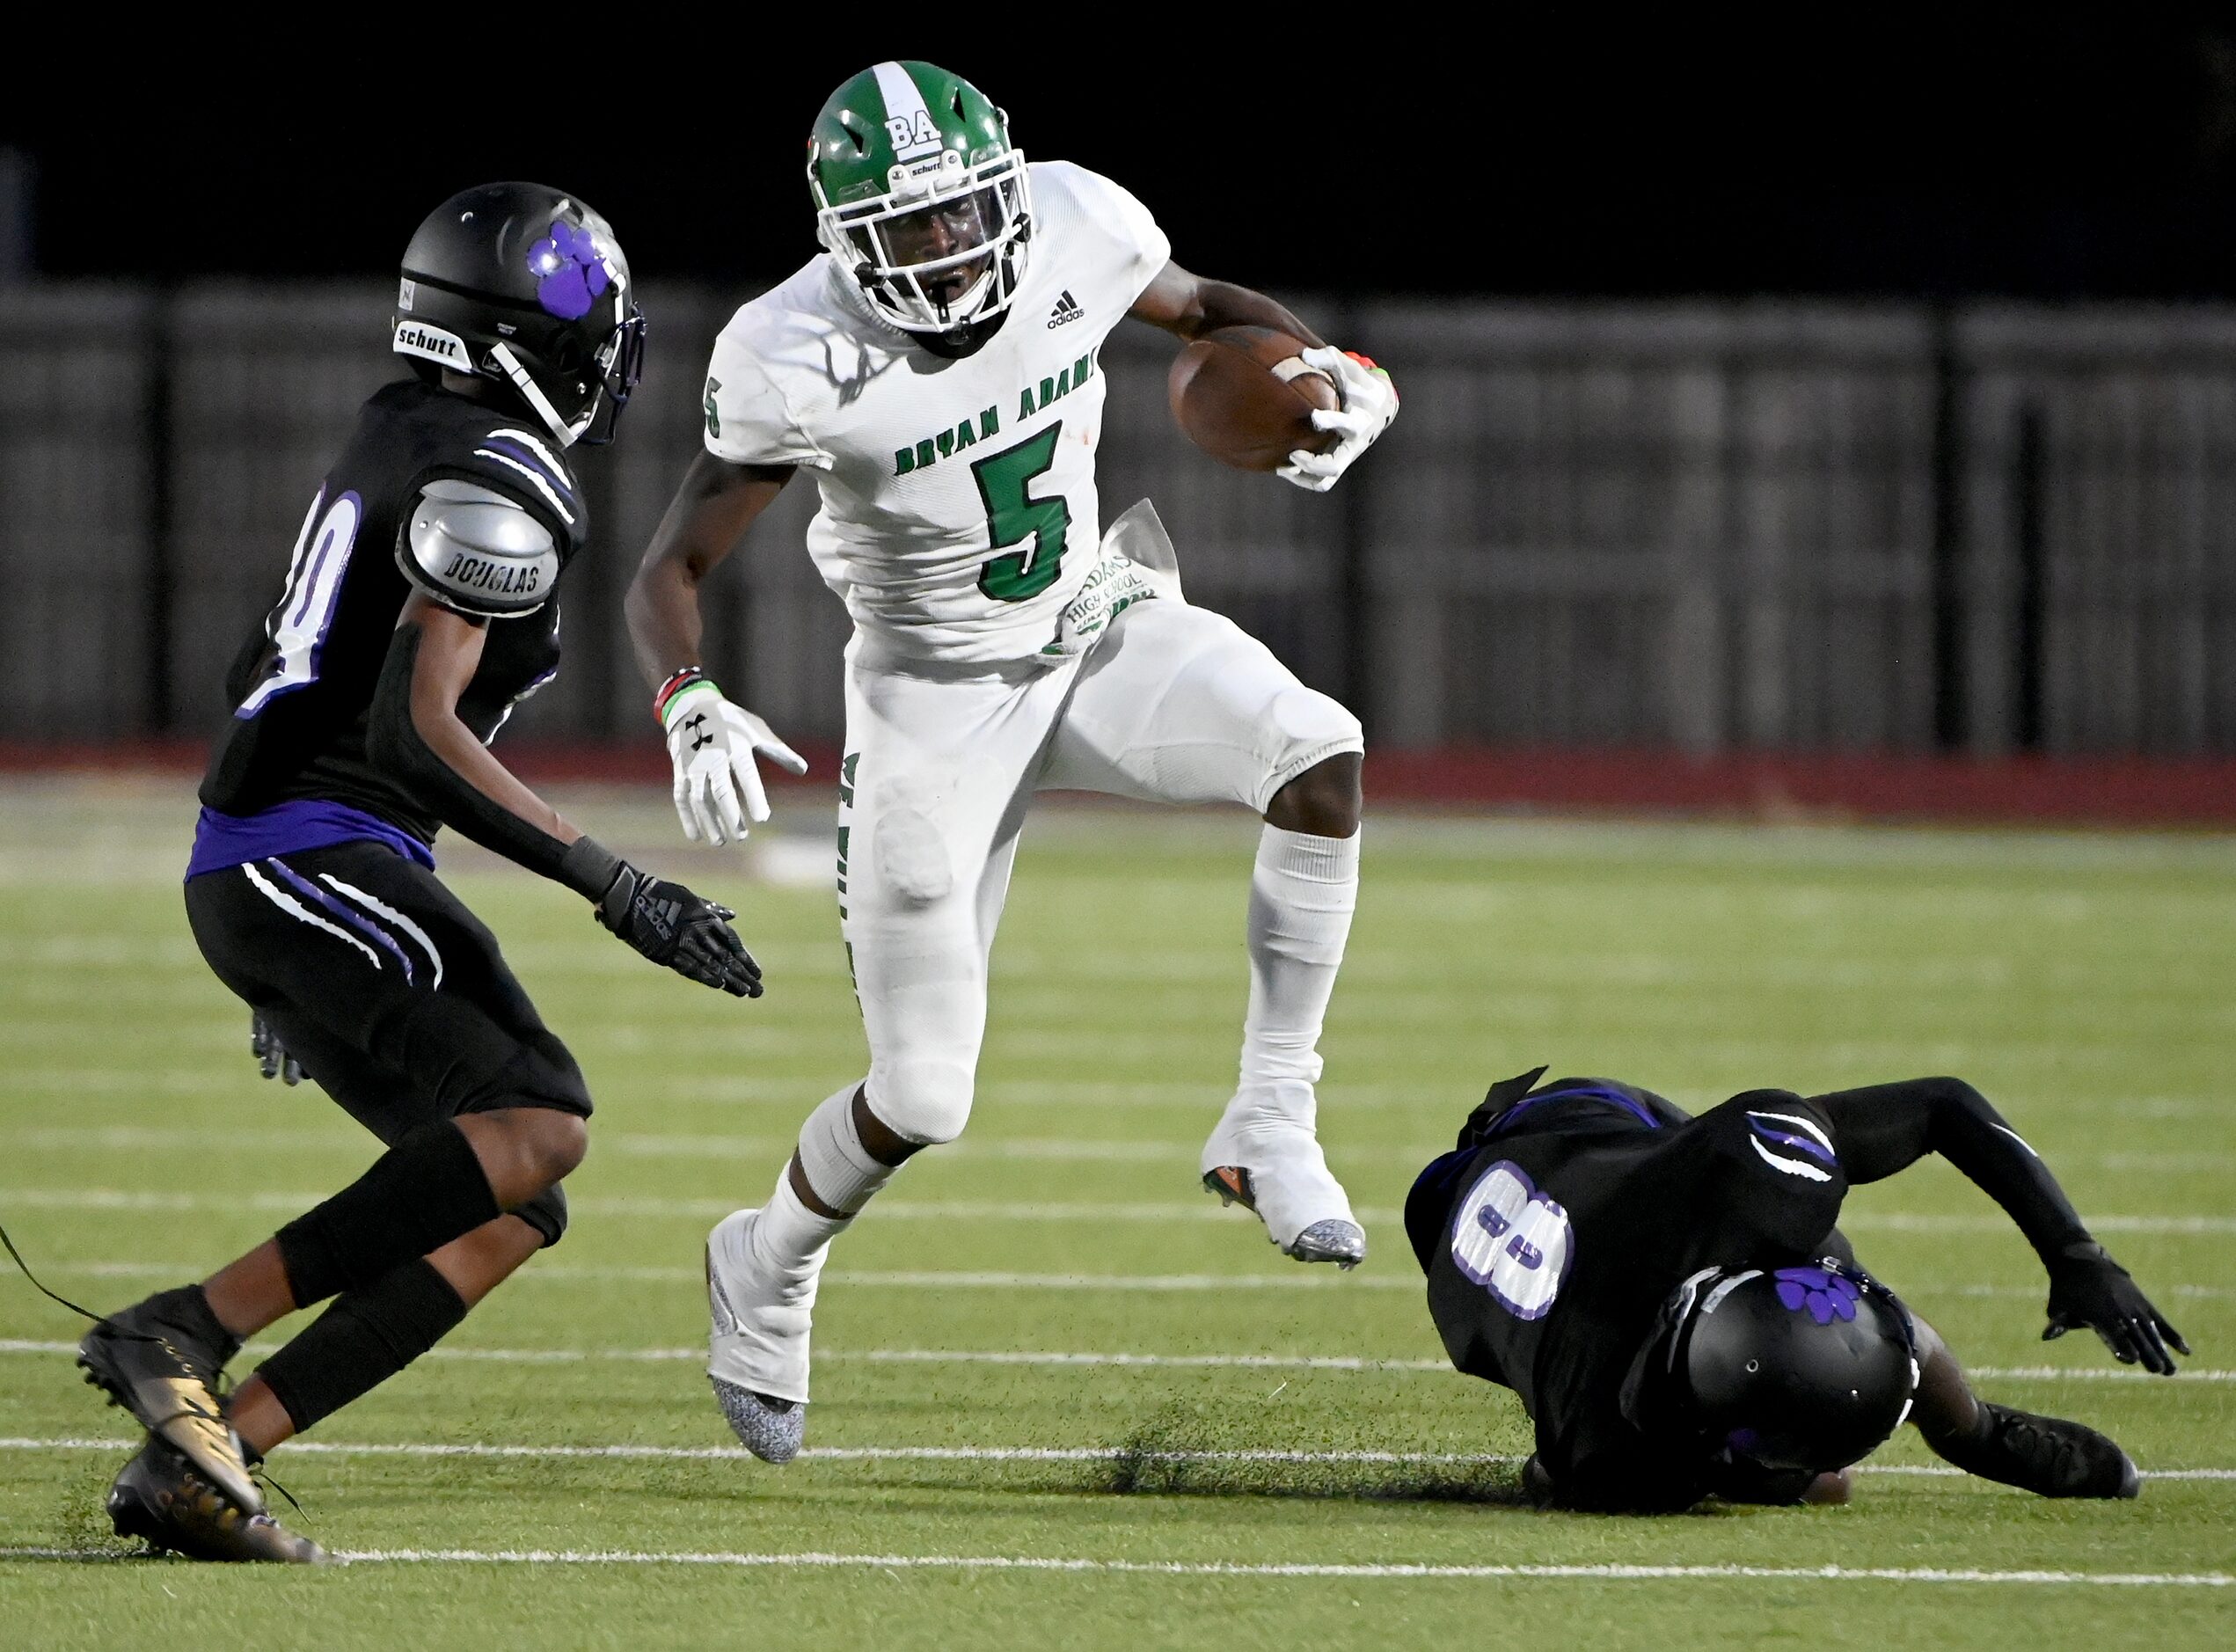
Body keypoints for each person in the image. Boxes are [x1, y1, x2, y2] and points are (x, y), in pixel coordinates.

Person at [625, 60, 1400, 1463]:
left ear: (1005, 186)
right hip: (930, 704)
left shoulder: (1075, 220)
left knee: (1317, 751)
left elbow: (1214, 312)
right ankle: (768, 1257)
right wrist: (687, 693)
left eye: (963, 212)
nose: (947, 248)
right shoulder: (784, 349)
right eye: (906, 228)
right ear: (842, 234)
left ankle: (1270, 1112)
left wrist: (1326, 375)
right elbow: (671, 562)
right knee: (922, 1094)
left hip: (1096, 625)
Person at [75, 183, 762, 1563]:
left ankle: (208, 1458)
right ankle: (186, 1327)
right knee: (542, 1114)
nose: (605, 351)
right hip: (308, 851)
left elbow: (261, 671)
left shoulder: (405, 425)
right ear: (533, 335)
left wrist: (295, 949)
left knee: (516, 1197)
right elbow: (418, 733)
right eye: (588, 323)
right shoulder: (504, 466)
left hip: (291, 860)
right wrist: (617, 886)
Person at [1405, 1066, 2189, 1512]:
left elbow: (1943, 1106)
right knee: (1817, 1473)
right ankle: (1968, 1426)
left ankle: (1967, 1427)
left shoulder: (1739, 1188)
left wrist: (2076, 1252)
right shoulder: (1605, 1452)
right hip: (1474, 1192)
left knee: (1823, 1326)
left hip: (1576, 1163)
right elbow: (1550, 1477)